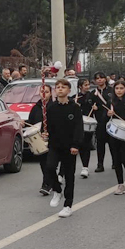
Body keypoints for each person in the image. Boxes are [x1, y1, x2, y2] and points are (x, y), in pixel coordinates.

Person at [44, 78, 83, 217]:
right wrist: (45, 133)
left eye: (63, 87)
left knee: (69, 176)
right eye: (58, 87)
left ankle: (68, 204)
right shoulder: (51, 107)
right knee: (49, 167)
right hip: (55, 144)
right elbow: (46, 125)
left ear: (68, 90)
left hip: (70, 147)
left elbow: (79, 127)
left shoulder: (75, 107)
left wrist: (75, 144)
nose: (60, 89)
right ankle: (57, 190)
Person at [27, 84, 53, 195]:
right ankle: (47, 183)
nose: (44, 94)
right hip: (40, 140)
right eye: (42, 92)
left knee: (51, 163)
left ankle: (49, 182)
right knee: (43, 162)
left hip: (53, 139)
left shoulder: (54, 106)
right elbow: (31, 123)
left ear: (51, 93)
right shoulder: (36, 108)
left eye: (46, 92)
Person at [76, 77, 97, 178]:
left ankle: (85, 167)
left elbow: (99, 106)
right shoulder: (75, 97)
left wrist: (95, 108)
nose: (88, 87)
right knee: (79, 145)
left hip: (88, 123)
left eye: (88, 84)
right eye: (85, 85)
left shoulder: (92, 96)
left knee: (86, 145)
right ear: (80, 87)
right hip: (78, 124)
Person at [91, 71, 112, 173]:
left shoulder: (111, 91)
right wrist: (93, 107)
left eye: (101, 78)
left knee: (113, 143)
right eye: (97, 78)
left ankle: (115, 162)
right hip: (99, 121)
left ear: (105, 79)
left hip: (111, 121)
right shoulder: (93, 93)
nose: (99, 80)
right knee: (100, 144)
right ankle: (100, 164)